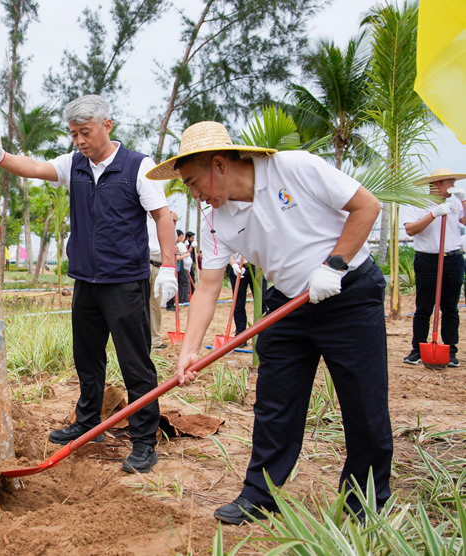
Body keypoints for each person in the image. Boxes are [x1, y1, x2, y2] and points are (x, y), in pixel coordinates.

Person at [149, 121, 390, 524]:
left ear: (219, 166)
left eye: (193, 182)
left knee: (363, 403)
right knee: (275, 403)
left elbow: (367, 207)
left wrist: (334, 266)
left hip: (347, 292)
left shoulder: (294, 168)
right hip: (288, 303)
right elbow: (208, 287)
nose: (194, 194)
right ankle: (260, 495)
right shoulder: (215, 221)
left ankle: (365, 501)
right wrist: (189, 349)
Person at [0, 94, 178, 474]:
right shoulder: (75, 164)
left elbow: (162, 216)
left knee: (135, 363)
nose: (80, 141)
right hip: (86, 280)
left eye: (85, 132)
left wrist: (168, 265)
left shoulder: (137, 166)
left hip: (126, 282)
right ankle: (88, 424)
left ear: (107, 126)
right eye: (73, 134)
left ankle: (145, 440)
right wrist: (0, 155)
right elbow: (34, 168)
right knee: (87, 357)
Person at [401, 168, 466, 367]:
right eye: (450, 182)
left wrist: (463, 200)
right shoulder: (418, 203)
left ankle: (450, 350)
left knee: (450, 308)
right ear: (437, 185)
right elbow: (411, 229)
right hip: (428, 260)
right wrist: (433, 214)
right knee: (424, 307)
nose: (453, 186)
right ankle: (417, 349)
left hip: (453, 259)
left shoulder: (455, 203)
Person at [226, 253, 266, 345]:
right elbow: (228, 251)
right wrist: (234, 264)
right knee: (238, 303)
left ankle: (263, 334)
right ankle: (241, 337)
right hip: (238, 268)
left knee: (263, 301)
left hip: (256, 268)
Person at [147, 212, 172, 349]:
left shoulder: (163, 219)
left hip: (159, 265)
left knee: (155, 305)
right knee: (140, 303)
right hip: (145, 264)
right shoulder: (141, 217)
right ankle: (142, 339)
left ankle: (154, 340)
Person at [175, 230, 191, 303]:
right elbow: (179, 257)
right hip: (180, 266)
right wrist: (186, 255)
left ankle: (180, 299)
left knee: (180, 283)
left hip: (179, 266)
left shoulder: (178, 244)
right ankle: (184, 299)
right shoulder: (180, 245)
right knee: (185, 282)